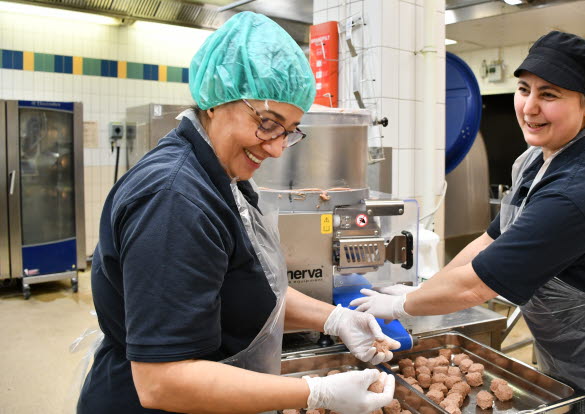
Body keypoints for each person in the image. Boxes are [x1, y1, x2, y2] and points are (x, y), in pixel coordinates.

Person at [78, 12, 397, 414]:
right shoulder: (175, 199)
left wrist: (334, 319)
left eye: (290, 131)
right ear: (214, 101)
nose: (278, 148)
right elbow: (162, 382)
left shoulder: (221, 176)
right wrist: (315, 393)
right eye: (267, 123)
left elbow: (242, 285)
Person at [351, 31, 585, 413]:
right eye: (524, 89)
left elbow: (476, 286)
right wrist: (423, 288)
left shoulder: (579, 191)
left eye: (549, 95)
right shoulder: (539, 161)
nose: (529, 107)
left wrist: (403, 306)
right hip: (573, 358)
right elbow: (488, 242)